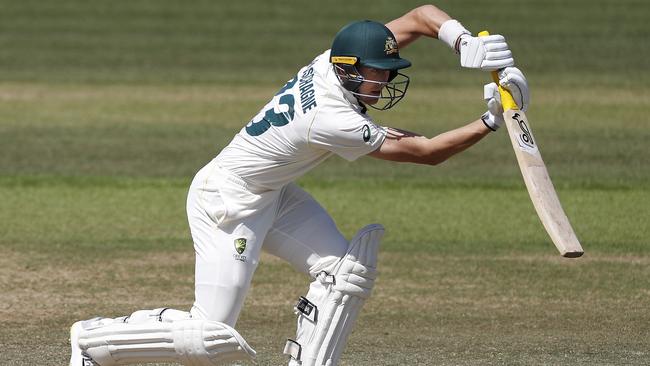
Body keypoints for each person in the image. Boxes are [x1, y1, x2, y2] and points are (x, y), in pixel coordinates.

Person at [69, 4, 529, 366]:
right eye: (378, 72)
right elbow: (427, 152)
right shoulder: (330, 119)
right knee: (208, 338)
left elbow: (419, 16)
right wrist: (491, 120)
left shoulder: (333, 61)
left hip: (274, 193)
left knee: (343, 276)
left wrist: (462, 40)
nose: (387, 78)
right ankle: (92, 342)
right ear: (350, 69)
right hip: (227, 202)